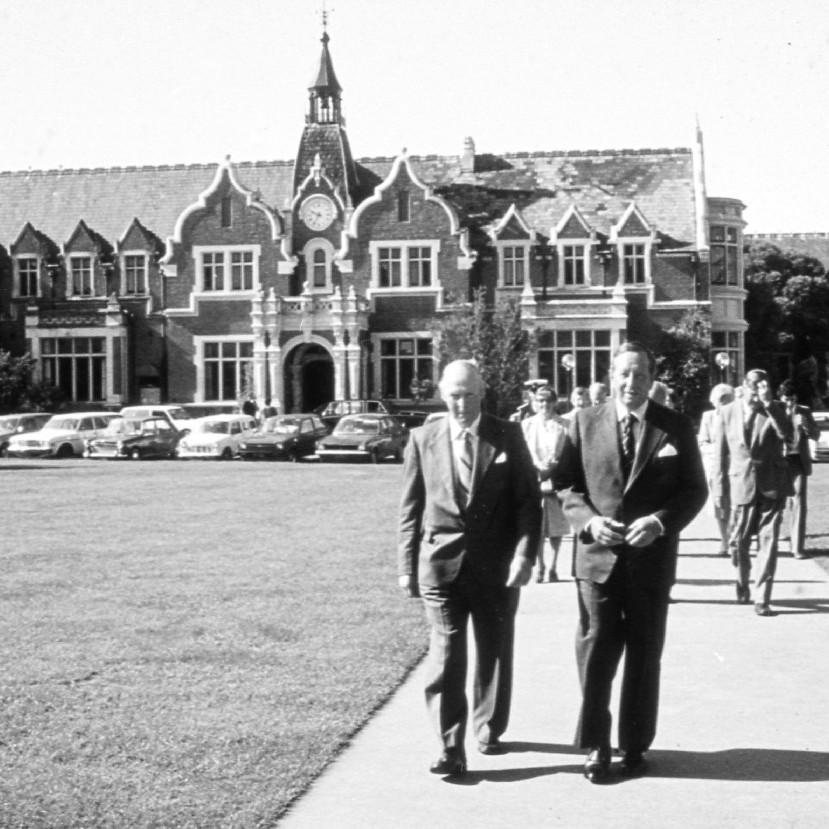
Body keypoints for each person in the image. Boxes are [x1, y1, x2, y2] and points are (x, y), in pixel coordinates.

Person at [554, 341, 707, 782]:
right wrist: (587, 522)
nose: (630, 383)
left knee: (643, 654)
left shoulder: (674, 427)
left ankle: (635, 744)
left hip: (651, 562)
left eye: (639, 375)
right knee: (596, 650)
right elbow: (564, 484)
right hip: (596, 561)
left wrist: (660, 523)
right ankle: (597, 747)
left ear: (651, 379)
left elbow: (694, 490)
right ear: (609, 376)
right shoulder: (583, 422)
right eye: (623, 374)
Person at [397, 360, 541, 777]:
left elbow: (528, 503)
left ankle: (488, 727)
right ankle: (449, 746)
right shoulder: (422, 438)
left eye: (470, 396)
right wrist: (406, 566)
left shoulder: (508, 436)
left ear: (483, 394)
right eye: (455, 396)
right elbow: (410, 509)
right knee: (446, 653)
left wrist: (525, 555)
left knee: (494, 649)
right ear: (444, 395)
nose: (462, 405)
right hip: (440, 566)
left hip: (497, 568)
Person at [712, 369, 793, 616]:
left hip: (771, 486)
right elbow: (720, 455)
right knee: (739, 544)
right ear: (744, 386)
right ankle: (742, 583)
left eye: (763, 386)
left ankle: (762, 598)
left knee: (768, 544)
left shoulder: (774, 409)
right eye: (755, 386)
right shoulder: (727, 412)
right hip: (740, 486)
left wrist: (770, 404)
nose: (758, 391)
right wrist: (718, 490)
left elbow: (788, 436)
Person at [521, 385, 570, 583]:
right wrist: (536, 467)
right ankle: (539, 566)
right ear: (534, 403)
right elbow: (522, 452)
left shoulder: (566, 424)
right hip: (534, 480)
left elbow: (570, 452)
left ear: (555, 402)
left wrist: (555, 465)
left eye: (549, 401)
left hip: (557, 480)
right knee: (538, 527)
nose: (545, 405)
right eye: (540, 401)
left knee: (557, 527)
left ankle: (553, 566)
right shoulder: (526, 425)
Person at [777, 379, 820, 559]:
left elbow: (816, 434)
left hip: (798, 462)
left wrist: (806, 424)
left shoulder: (804, 411)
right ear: (781, 398)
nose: (790, 403)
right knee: (776, 504)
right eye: (787, 399)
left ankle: (797, 547)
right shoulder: (775, 411)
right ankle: (772, 539)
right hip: (779, 462)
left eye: (793, 399)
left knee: (799, 504)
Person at [697, 383, 735, 556]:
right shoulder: (708, 416)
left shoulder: (737, 416)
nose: (724, 403)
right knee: (718, 504)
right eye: (721, 400)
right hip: (714, 467)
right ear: (714, 401)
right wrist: (716, 451)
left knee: (734, 503)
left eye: (727, 399)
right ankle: (724, 541)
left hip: (734, 466)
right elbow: (702, 442)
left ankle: (735, 539)